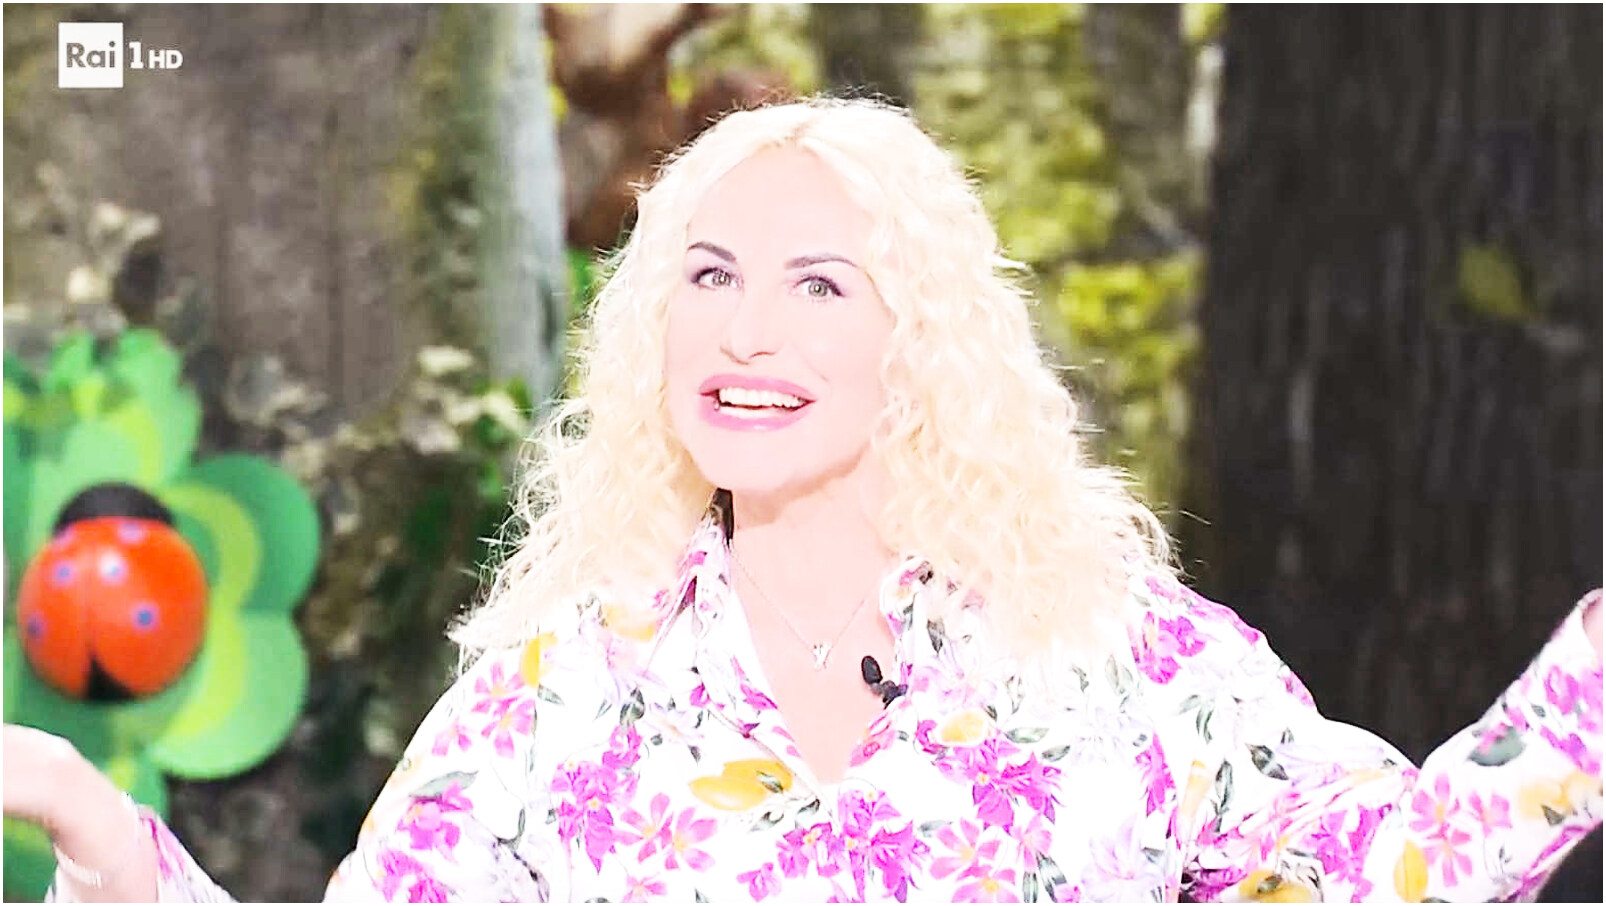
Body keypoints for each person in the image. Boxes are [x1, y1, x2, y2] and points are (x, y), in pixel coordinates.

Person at [5, 98, 1601, 903]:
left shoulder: (1122, 655)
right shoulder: (561, 691)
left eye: (818, 284)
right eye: (706, 276)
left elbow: (1400, 863)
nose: (745, 331)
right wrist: (85, 810)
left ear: (921, 342)